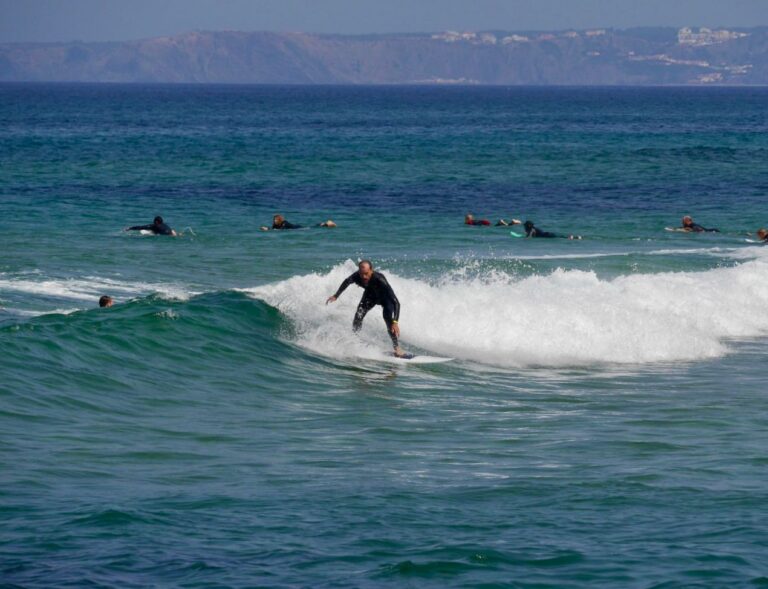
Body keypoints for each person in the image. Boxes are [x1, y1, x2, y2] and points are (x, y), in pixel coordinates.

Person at [326, 260, 404, 357]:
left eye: (366, 274)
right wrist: (336, 296)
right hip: (370, 297)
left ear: (371, 270)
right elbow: (346, 282)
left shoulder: (379, 279)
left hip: (385, 299)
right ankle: (354, 340)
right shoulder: (357, 276)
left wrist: (395, 322)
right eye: (361, 273)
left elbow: (396, 302)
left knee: (389, 320)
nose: (364, 277)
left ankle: (397, 348)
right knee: (358, 317)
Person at [261, 214, 336, 231]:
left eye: (276, 220)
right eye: (274, 220)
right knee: (312, 226)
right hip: (296, 228)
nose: (275, 221)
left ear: (279, 220)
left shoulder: (284, 223)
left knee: (312, 227)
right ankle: (325, 223)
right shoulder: (275, 225)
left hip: (298, 227)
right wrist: (266, 228)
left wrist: (268, 229)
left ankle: (326, 224)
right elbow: (273, 229)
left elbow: (281, 230)